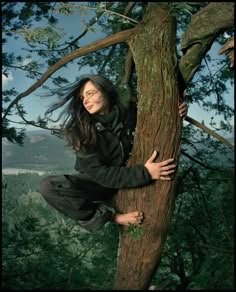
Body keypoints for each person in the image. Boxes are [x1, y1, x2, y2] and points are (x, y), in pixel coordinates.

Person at [39, 75, 187, 232]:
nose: (85, 101)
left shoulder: (127, 111)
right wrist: (145, 173)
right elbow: (101, 174)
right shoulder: (81, 131)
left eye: (90, 93)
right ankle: (114, 217)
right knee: (48, 187)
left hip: (124, 171)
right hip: (98, 183)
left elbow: (155, 115)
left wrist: (176, 110)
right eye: (82, 97)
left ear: (105, 91)